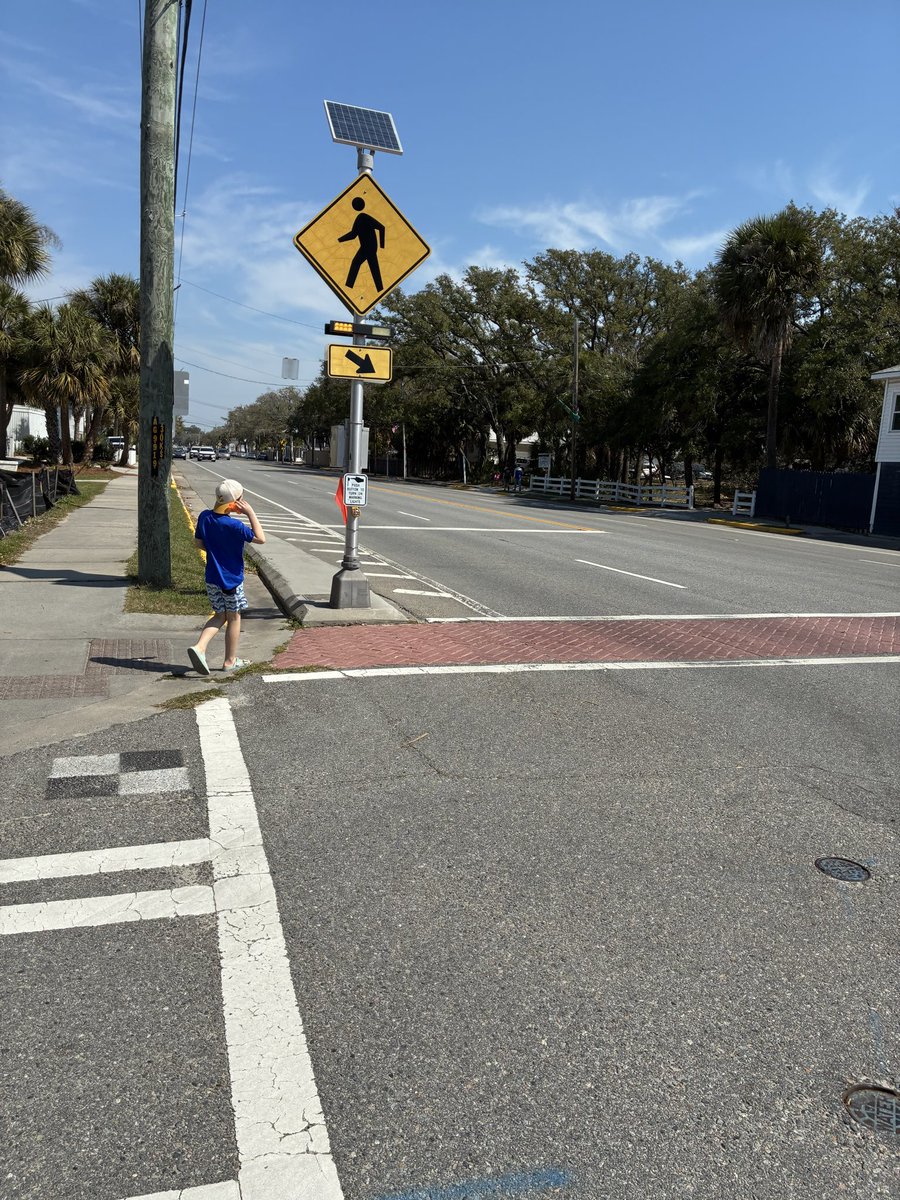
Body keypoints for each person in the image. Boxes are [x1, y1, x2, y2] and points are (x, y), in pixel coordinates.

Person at [187, 479, 266, 675]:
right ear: (234, 502)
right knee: (234, 617)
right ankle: (229, 660)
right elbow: (261, 538)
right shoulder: (234, 526)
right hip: (231, 580)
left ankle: (200, 647)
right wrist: (250, 513)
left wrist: (215, 551)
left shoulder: (205, 517)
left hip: (212, 578)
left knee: (220, 615)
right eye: (241, 499)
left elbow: (199, 543)